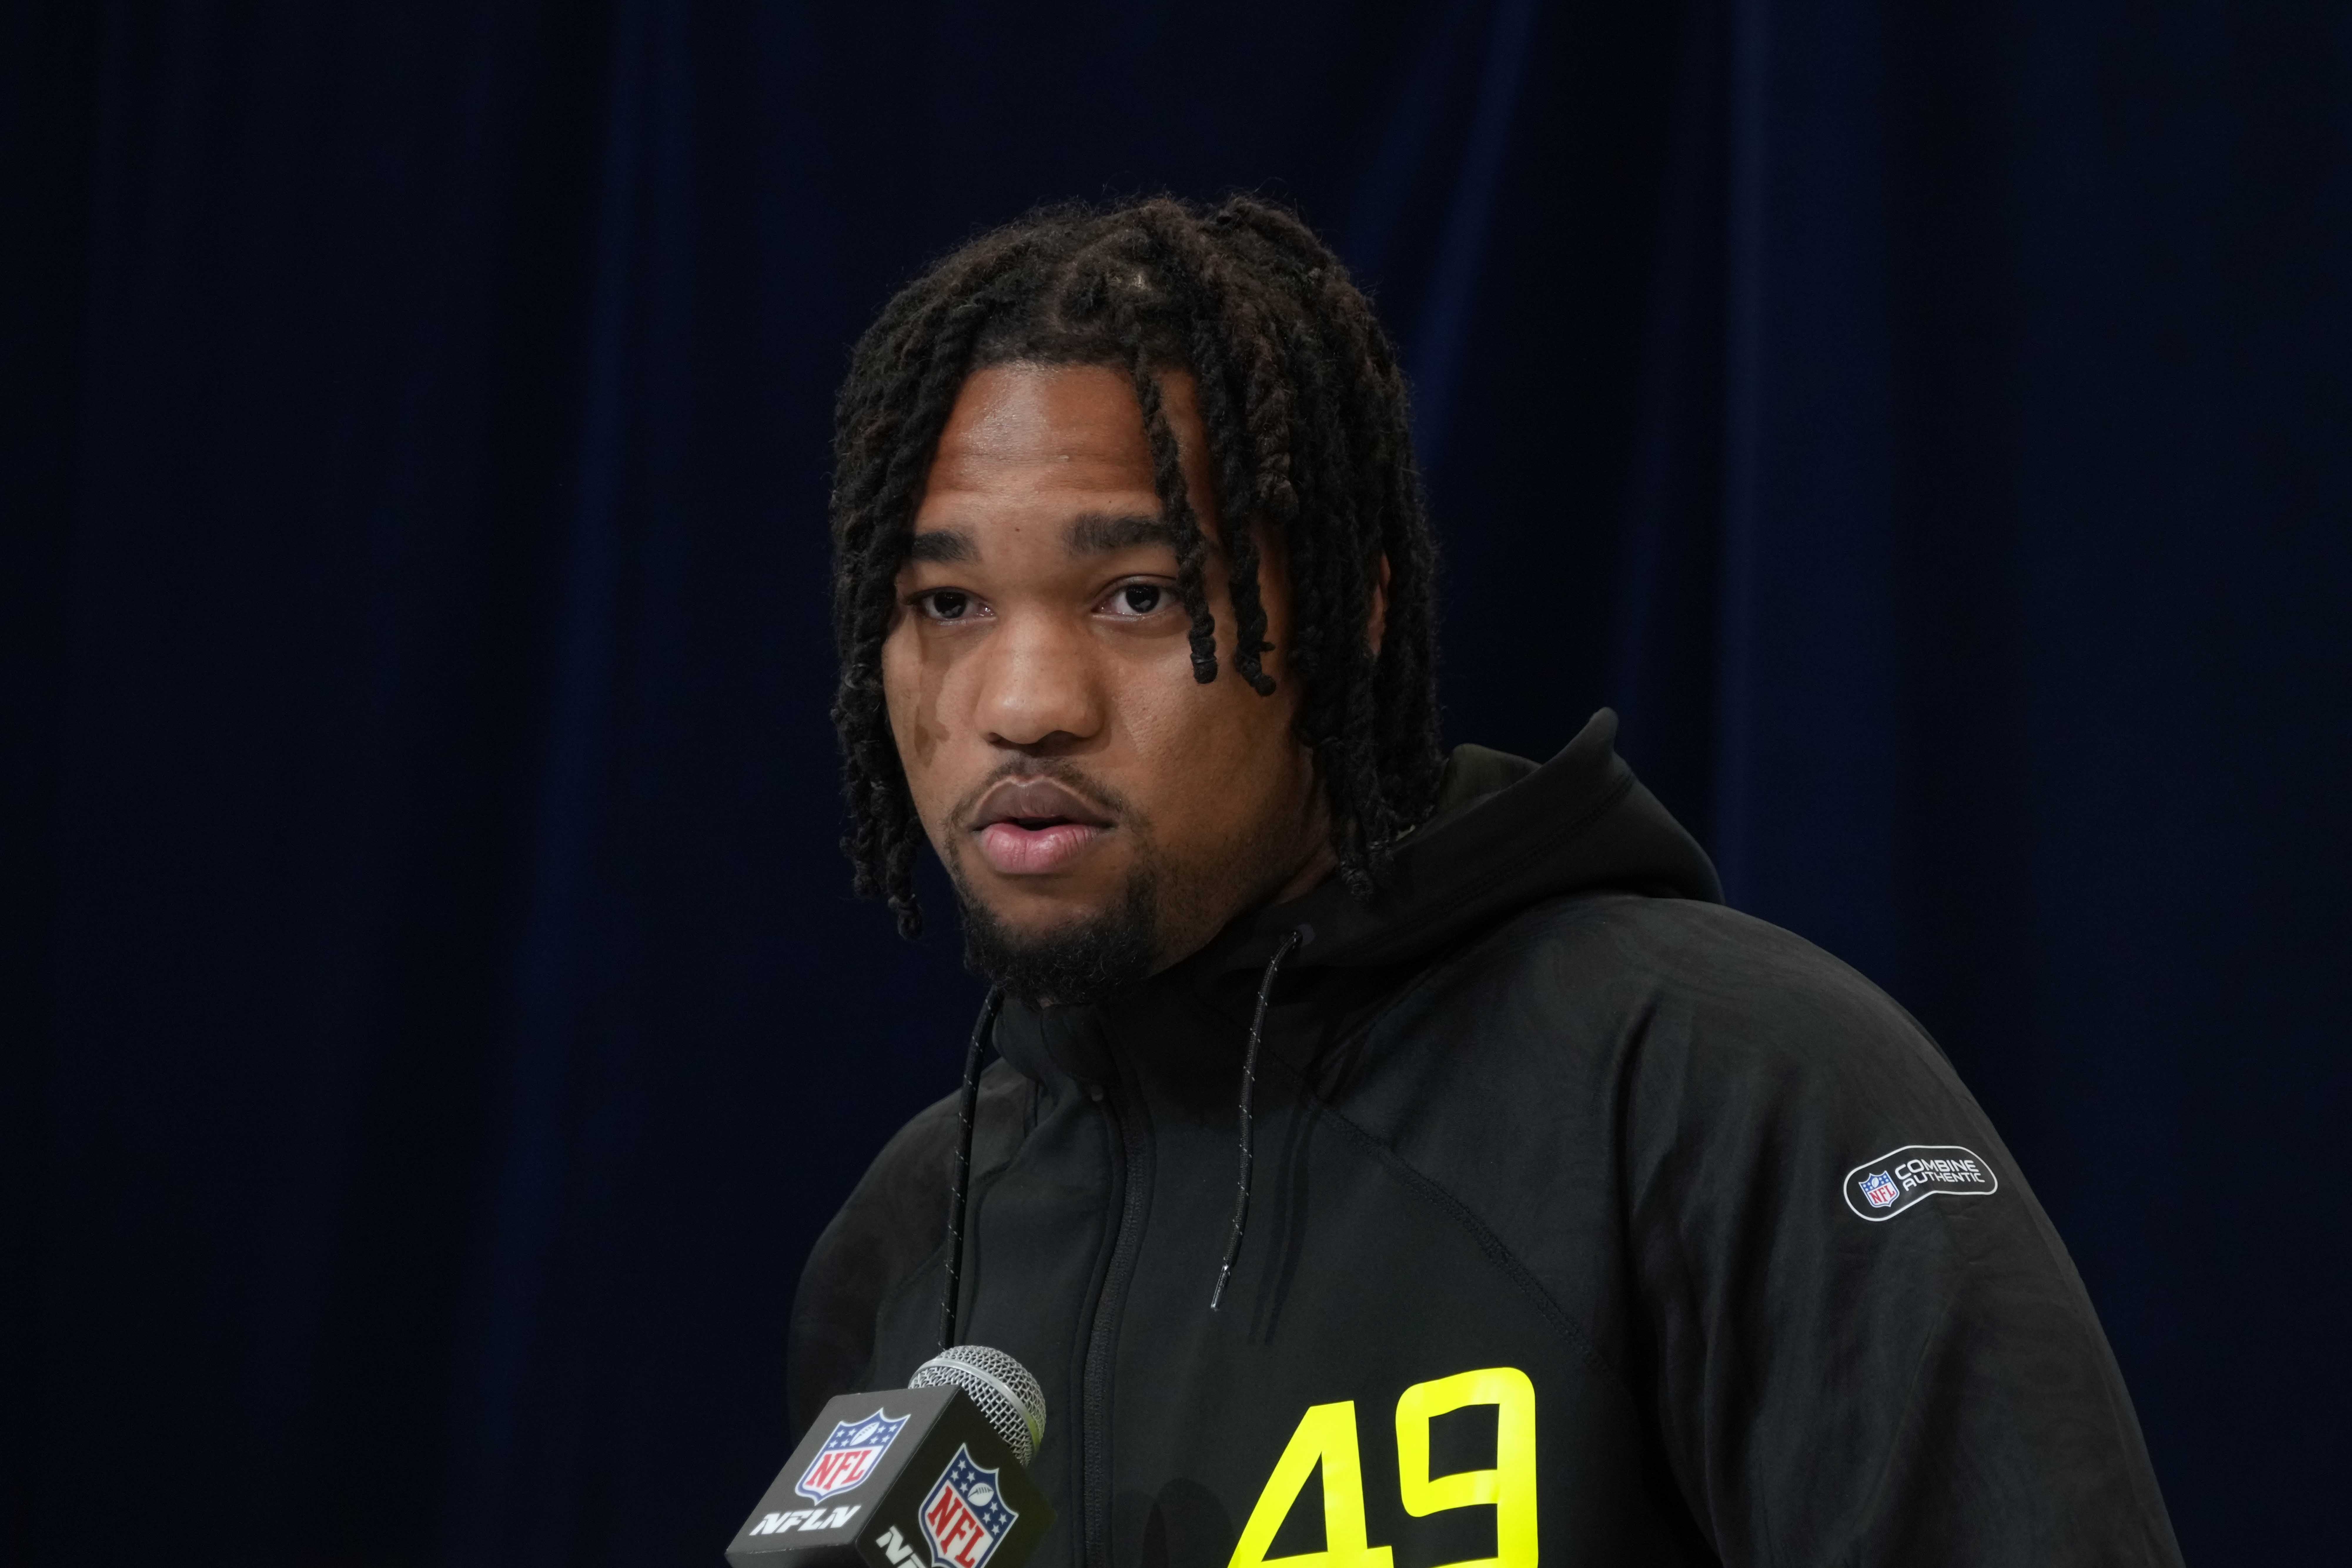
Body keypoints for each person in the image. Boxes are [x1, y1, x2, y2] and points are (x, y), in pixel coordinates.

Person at [789, 195, 2182, 1567]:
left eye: (1140, 593)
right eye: (949, 605)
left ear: (1350, 612)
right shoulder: (917, 1235)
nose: (1024, 701)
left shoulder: (1720, 1082)